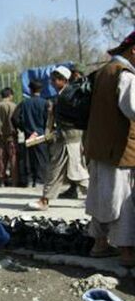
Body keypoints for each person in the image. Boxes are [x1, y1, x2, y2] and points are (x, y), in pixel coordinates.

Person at [85, 31, 135, 267]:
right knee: (122, 200)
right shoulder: (125, 75)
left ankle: (100, 244)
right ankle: (126, 253)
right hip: (119, 150)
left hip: (98, 146)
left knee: (100, 197)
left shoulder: (104, 71)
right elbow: (132, 109)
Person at [27, 66, 89, 210]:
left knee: (75, 172)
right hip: (65, 139)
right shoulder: (62, 96)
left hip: (69, 139)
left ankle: (94, 199)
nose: (53, 83)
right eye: (52, 80)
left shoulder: (69, 95)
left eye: (55, 80)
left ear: (64, 80)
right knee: (61, 171)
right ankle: (45, 200)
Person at [13, 80, 50, 186]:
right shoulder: (44, 103)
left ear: (30, 90)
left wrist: (23, 128)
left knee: (28, 159)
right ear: (41, 90)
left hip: (28, 135)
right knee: (41, 159)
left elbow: (14, 118)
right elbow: (48, 119)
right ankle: (39, 181)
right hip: (41, 135)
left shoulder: (24, 103)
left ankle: (29, 180)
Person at [0, 87, 18, 187]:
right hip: (11, 136)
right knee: (13, 158)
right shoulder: (13, 106)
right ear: (10, 95)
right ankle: (14, 181)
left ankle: (2, 181)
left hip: (0, 137)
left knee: (1, 159)